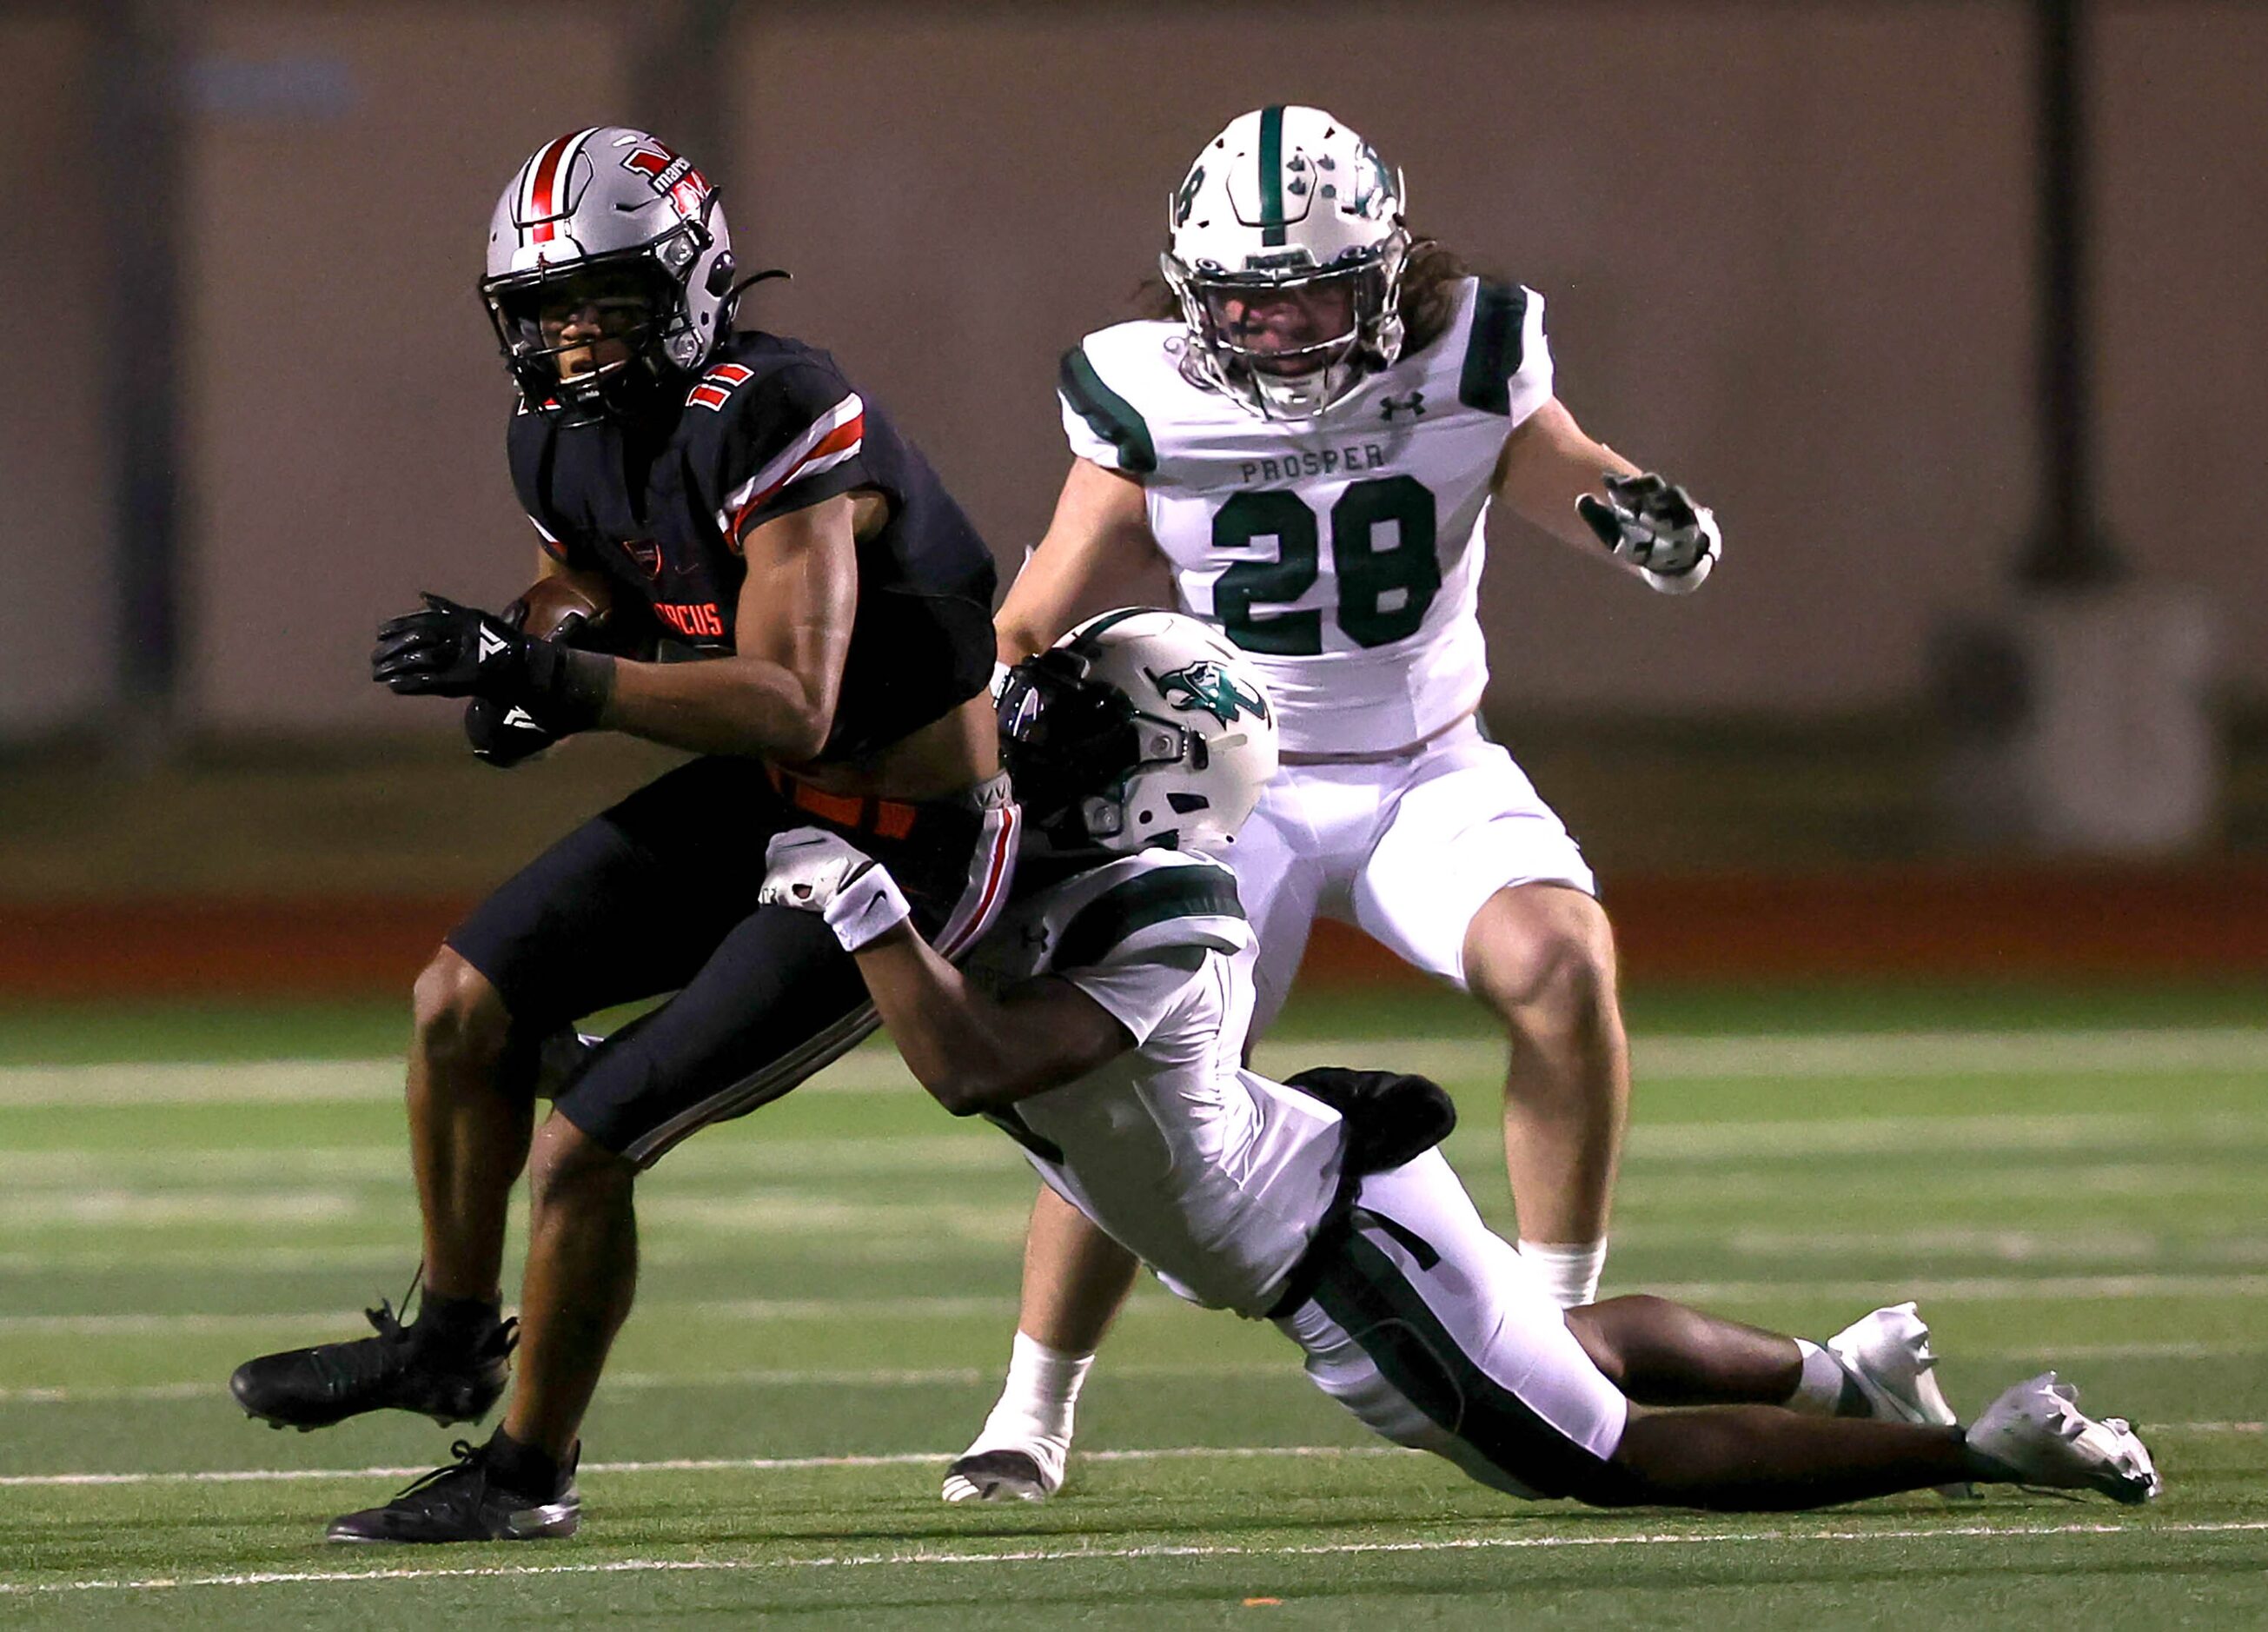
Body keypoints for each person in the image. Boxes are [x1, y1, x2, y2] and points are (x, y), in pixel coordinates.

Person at [764, 609, 2162, 1517]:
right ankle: (1835, 1370)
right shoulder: (1097, 859)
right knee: (1562, 1356)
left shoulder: (1174, 909)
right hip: (1329, 1187)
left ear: (1159, 781)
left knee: (1606, 1455)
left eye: (1069, 736)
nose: (1026, 749)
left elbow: (969, 1062)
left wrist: (865, 900)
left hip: (1340, 1257)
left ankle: (1978, 1445)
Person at [227, 126, 1018, 1544]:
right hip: (771, 801)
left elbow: (790, 697)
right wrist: (520, 646)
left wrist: (563, 682)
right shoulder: (556, 430)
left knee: (584, 1147)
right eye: (546, 309)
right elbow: (587, 575)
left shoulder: (777, 405)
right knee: (459, 1005)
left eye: (606, 299)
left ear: (692, 283)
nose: (573, 337)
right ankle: (452, 1333)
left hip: (897, 836)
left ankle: (527, 1475)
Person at [952, 104, 1723, 1501]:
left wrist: (1624, 510)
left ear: (1387, 275)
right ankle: (1032, 1405)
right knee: (1129, 1078)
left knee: (1560, 960)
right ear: (1193, 294)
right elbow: (1049, 598)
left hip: (1430, 760)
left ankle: (1557, 1326)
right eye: (1246, 298)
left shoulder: (1468, 350)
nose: (1281, 328)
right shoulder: (1145, 393)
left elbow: (1546, 461)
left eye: (1313, 293)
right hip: (1226, 786)